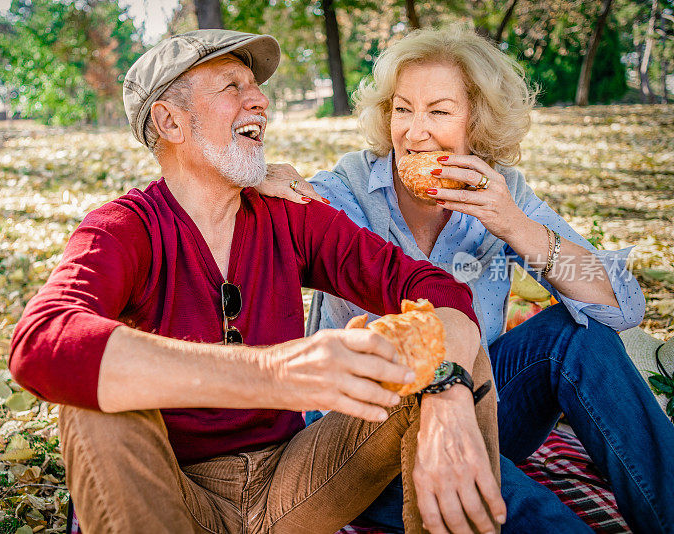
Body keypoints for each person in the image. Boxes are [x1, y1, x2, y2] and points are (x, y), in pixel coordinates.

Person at [9, 30, 507, 534]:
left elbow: (437, 289)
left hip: (296, 484)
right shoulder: (125, 228)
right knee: (90, 401)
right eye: (231, 86)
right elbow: (42, 342)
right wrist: (276, 372)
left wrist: (447, 391)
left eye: (256, 87)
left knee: (442, 342)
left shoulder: (289, 216)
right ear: (170, 120)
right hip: (174, 495)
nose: (260, 101)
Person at [268, 27, 674, 534]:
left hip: (475, 407)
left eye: (438, 112)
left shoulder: (504, 193)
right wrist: (257, 183)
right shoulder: (346, 192)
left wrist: (518, 226)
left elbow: (622, 306)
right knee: (505, 497)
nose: (414, 133)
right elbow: (263, 235)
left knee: (575, 336)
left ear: (477, 122)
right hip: (365, 438)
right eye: (402, 109)